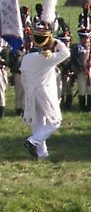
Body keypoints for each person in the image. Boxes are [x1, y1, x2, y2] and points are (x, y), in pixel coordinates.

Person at [22, 21, 71, 160]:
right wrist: (54, 40)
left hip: (30, 93)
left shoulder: (26, 58)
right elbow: (66, 53)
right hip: (44, 92)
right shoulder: (46, 58)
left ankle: (42, 153)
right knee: (55, 121)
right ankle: (33, 141)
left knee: (38, 123)